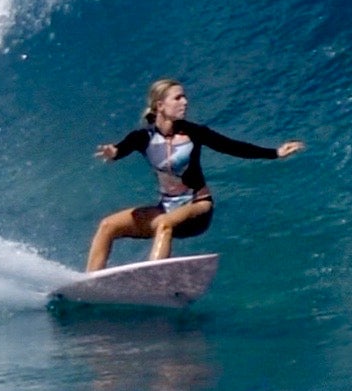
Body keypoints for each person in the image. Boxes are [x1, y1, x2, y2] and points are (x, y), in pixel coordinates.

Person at [86, 78, 303, 271]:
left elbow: (233, 147)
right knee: (108, 225)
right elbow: (121, 149)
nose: (185, 102)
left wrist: (275, 153)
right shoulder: (143, 137)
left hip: (198, 207)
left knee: (164, 224)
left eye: (185, 97)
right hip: (166, 208)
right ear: (160, 105)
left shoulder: (194, 133)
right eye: (178, 98)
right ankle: (89, 282)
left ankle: (152, 278)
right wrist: (113, 152)